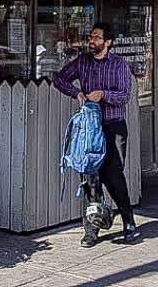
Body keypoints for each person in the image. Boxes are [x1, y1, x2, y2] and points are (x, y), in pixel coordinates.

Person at [52, 23, 139, 246]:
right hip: (89, 128)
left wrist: (103, 95)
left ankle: (128, 220)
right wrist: (77, 93)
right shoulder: (82, 61)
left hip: (113, 126)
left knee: (113, 175)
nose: (92, 41)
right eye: (91, 37)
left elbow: (124, 96)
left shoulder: (118, 64)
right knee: (89, 175)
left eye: (97, 37)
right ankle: (92, 228)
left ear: (107, 42)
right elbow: (59, 78)